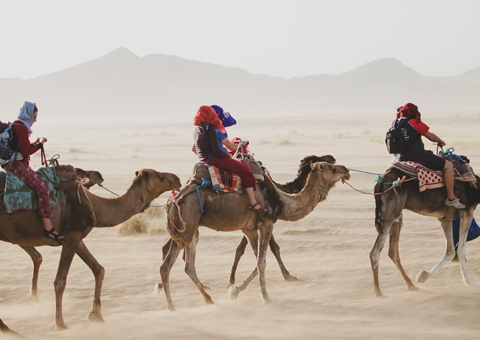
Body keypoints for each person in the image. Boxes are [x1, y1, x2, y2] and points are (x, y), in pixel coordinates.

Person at [1, 101, 64, 241]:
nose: (35, 120)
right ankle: (49, 228)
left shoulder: (16, 125)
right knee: (43, 189)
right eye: (34, 117)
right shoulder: (22, 128)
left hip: (13, 164)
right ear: (28, 114)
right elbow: (25, 151)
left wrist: (34, 144)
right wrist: (39, 145)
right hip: (17, 166)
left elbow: (20, 147)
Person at [192, 105, 269, 215]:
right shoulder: (212, 130)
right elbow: (217, 152)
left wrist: (204, 157)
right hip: (216, 160)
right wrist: (228, 156)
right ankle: (253, 203)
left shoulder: (196, 130)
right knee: (245, 170)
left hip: (203, 161)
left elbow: (193, 149)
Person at [392, 103, 464, 209]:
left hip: (399, 157)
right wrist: (440, 141)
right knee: (448, 165)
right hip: (418, 156)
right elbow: (431, 136)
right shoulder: (414, 122)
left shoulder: (394, 123)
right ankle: (451, 199)